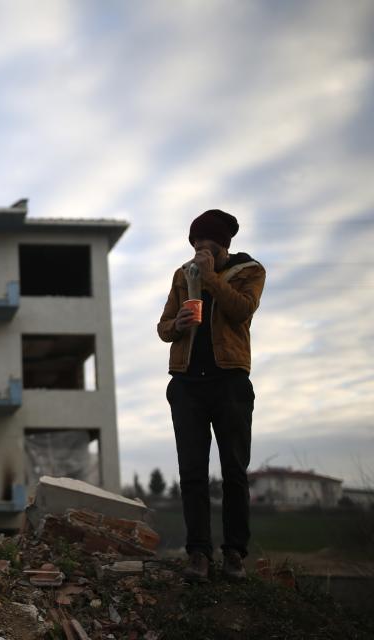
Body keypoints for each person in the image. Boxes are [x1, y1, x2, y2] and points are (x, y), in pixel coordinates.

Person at [157, 209, 266, 583]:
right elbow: (163, 326)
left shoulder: (250, 271)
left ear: (224, 246)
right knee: (192, 472)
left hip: (230, 381)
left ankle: (234, 553)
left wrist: (211, 278)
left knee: (234, 470)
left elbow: (242, 311)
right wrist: (177, 325)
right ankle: (198, 555)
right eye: (194, 245)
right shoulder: (181, 275)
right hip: (187, 383)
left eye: (207, 246)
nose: (199, 252)